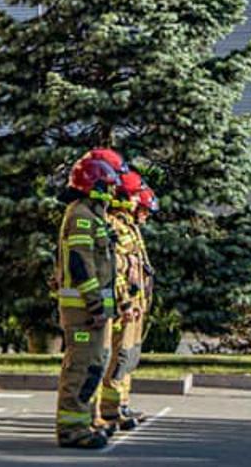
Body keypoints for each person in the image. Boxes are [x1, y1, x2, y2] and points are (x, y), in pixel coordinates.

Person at [53, 149, 124, 449]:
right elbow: (81, 265)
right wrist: (95, 303)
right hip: (82, 308)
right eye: (106, 186)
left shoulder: (91, 215)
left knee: (93, 365)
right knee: (81, 367)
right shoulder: (81, 216)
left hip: (90, 309)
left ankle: (85, 420)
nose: (110, 193)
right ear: (93, 185)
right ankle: (72, 429)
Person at [98, 170, 154, 430]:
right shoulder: (116, 226)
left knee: (128, 357)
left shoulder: (130, 227)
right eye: (135, 199)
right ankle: (109, 409)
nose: (140, 208)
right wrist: (125, 302)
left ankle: (120, 404)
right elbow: (116, 270)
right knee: (118, 357)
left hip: (135, 305)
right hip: (125, 307)